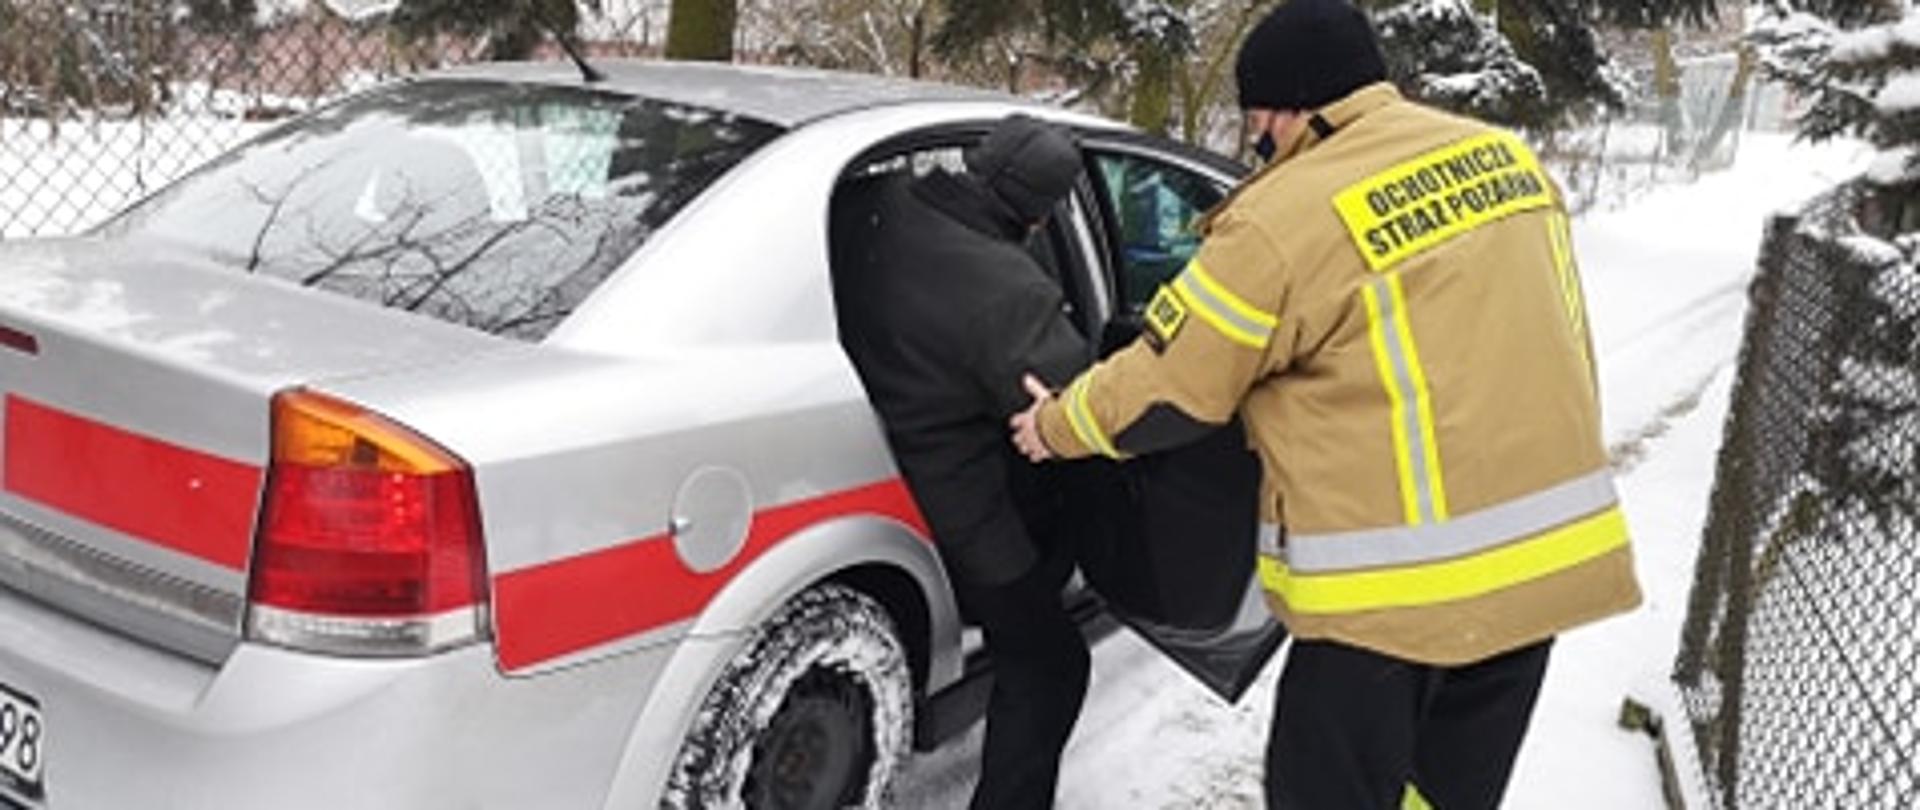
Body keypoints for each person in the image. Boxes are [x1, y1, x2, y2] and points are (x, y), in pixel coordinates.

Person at [1008, 0, 1643, 806]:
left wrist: (1056, 424)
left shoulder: (1284, 216)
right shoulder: (1511, 166)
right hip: (1536, 581)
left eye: (1255, 123)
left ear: (1282, 109)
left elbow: (1172, 387)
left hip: (1390, 605)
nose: (1256, 142)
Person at [832, 114, 1093, 810]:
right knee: (1052, 665)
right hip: (960, 512)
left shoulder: (870, 201)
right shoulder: (1010, 293)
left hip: (863, 460)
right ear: (1040, 218)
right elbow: (1081, 407)